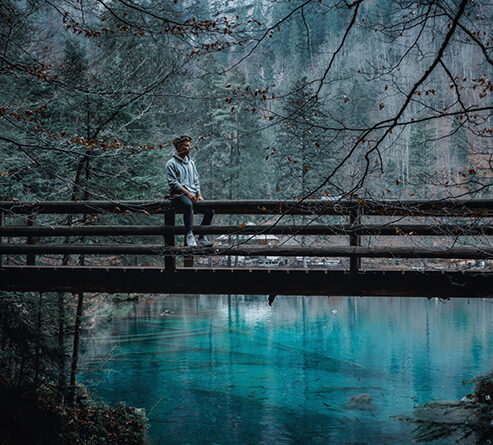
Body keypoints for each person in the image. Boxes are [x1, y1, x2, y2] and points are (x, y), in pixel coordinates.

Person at [165, 135, 214, 247]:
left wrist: (199, 195)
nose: (189, 148)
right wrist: (188, 194)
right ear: (178, 147)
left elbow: (196, 180)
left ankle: (202, 237)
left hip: (193, 195)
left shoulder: (191, 163)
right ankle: (189, 235)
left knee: (210, 210)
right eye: (186, 146)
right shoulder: (171, 164)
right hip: (178, 195)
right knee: (188, 205)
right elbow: (173, 183)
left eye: (189, 145)